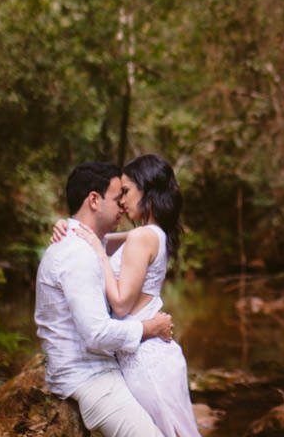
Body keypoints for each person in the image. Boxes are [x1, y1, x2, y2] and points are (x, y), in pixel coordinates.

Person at [56, 154, 202, 437]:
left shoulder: (141, 237)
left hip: (146, 360)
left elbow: (121, 304)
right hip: (151, 354)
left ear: (145, 189)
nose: (121, 200)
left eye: (126, 191)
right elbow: (98, 237)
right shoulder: (155, 233)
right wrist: (67, 226)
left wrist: (99, 254)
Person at [35, 161, 173, 437]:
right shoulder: (77, 254)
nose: (123, 205)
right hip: (88, 377)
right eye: (117, 197)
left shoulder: (83, 243)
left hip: (98, 368)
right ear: (94, 200)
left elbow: (133, 238)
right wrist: (150, 328)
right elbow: (96, 334)